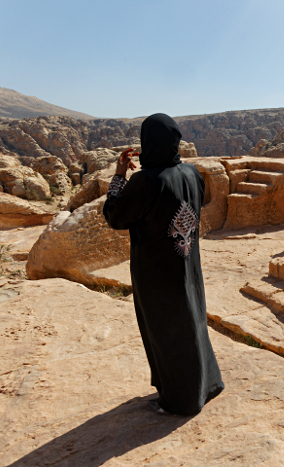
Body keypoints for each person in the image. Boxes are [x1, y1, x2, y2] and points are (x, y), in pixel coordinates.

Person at [103, 113, 224, 415]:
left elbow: (115, 216)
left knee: (166, 332)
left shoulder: (145, 180)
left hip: (156, 272)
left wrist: (119, 176)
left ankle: (180, 400)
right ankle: (206, 384)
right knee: (192, 324)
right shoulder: (193, 173)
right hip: (187, 265)